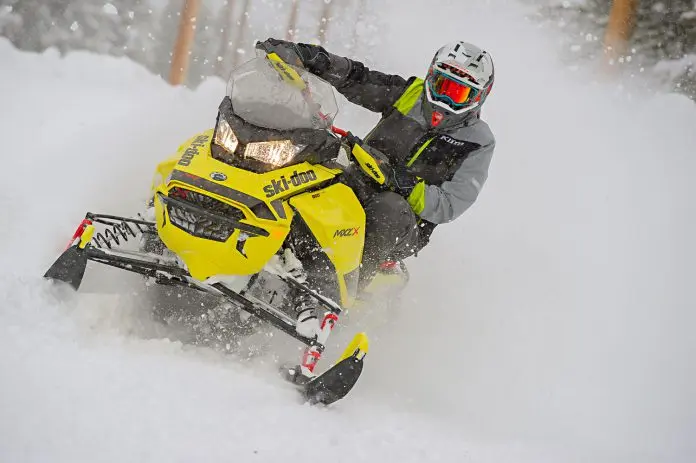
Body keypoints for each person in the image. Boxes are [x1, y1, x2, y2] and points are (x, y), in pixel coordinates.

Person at [255, 38, 496, 337]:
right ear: (431, 76)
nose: (445, 98)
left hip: (407, 220)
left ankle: (338, 297)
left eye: (458, 92)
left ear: (478, 97)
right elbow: (358, 79)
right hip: (357, 178)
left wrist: (400, 183)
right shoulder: (409, 94)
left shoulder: (478, 142)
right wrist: (313, 58)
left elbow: (450, 203)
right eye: (441, 85)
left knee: (387, 210)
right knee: (305, 166)